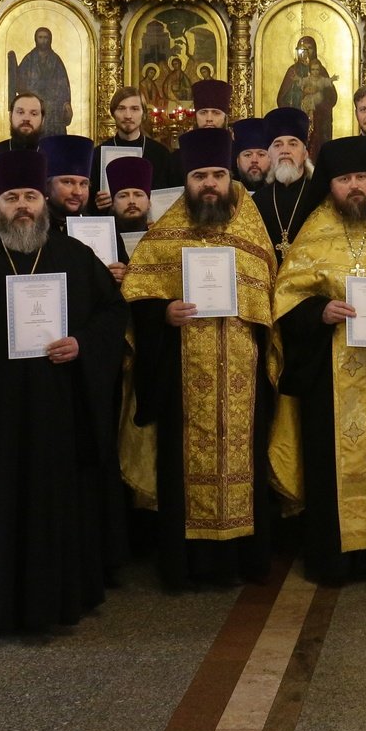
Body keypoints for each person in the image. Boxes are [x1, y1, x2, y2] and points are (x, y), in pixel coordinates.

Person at [0, 150, 128, 634]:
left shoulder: (75, 257)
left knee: (57, 502)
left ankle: (59, 598)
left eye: (30, 196)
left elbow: (113, 316)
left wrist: (83, 344)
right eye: (12, 198)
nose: (23, 206)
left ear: (44, 201)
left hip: (58, 406)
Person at [123, 128, 281, 588]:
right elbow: (138, 297)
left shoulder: (252, 233)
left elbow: (269, 299)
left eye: (217, 174)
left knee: (243, 461)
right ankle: (184, 562)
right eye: (199, 176)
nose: (209, 183)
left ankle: (243, 558)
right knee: (182, 465)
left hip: (242, 373)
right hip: (182, 375)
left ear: (230, 177)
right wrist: (163, 313)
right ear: (186, 181)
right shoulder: (164, 235)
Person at [271, 136, 366, 585]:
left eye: (361, 177)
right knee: (331, 463)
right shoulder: (314, 228)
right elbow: (287, 295)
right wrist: (319, 311)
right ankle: (335, 560)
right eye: (344, 180)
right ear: (330, 184)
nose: (354, 187)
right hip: (332, 371)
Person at [96, 85, 174, 197]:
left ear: (144, 114)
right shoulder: (98, 155)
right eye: (121, 108)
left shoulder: (161, 154)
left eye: (134, 109)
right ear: (113, 113)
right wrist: (98, 204)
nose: (128, 116)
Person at [258, 106, 316, 255]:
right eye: (277, 145)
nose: (285, 150)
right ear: (269, 155)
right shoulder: (258, 201)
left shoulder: (319, 197)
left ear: (305, 154)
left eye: (293, 144)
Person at [106, 156, 156, 238]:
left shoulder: (160, 239)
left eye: (138, 195)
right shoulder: (104, 238)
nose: (131, 201)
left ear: (149, 203)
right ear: (112, 204)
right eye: (123, 196)